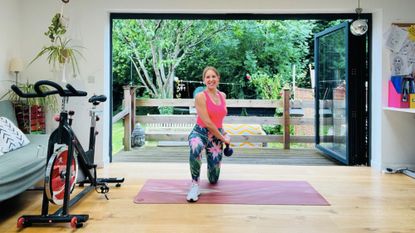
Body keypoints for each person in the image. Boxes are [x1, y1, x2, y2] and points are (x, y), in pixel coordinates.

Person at [186, 66, 230, 202]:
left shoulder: (223, 96)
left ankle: (211, 172)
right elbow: (208, 122)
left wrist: (225, 134)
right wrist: (223, 138)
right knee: (195, 147)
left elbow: (219, 119)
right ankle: (194, 185)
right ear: (204, 80)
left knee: (213, 179)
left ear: (218, 78)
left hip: (216, 135)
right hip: (200, 132)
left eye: (213, 76)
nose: (211, 79)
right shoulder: (200, 97)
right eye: (207, 77)